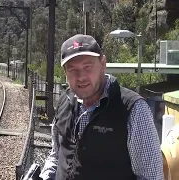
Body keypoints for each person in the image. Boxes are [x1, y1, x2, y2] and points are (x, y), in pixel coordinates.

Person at [39, 34, 164, 180]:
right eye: (73, 69)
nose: (81, 77)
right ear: (65, 72)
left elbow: (151, 177)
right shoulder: (64, 101)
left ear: (103, 64)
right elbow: (57, 154)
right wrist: (45, 176)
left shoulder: (133, 110)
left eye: (87, 67)